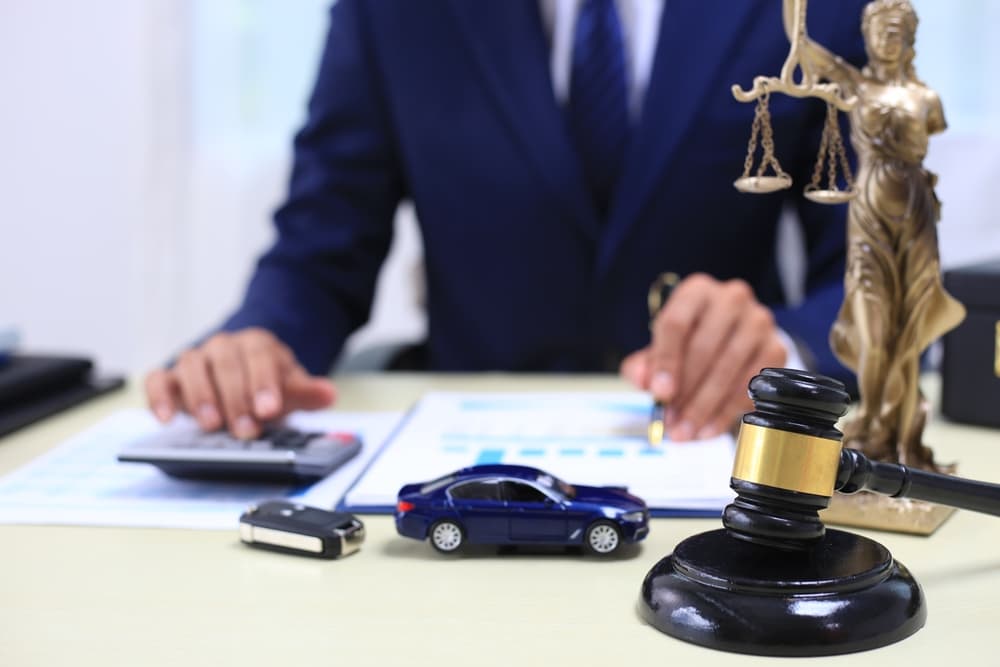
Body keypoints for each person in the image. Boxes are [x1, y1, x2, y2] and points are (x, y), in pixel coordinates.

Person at [145, 0, 869, 441]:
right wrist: (260, 342)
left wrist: (784, 351)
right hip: (469, 460)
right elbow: (320, 246)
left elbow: (874, 275)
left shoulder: (815, 8)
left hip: (714, 451)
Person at [799, 0, 965, 469]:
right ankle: (871, 423)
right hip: (869, 216)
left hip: (915, 216)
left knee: (908, 331)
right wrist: (794, 12)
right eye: (879, 30)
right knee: (873, 332)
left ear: (910, 38)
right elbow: (809, 52)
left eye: (897, 31)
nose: (888, 39)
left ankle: (903, 437)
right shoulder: (856, 85)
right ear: (866, 35)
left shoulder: (927, 98)